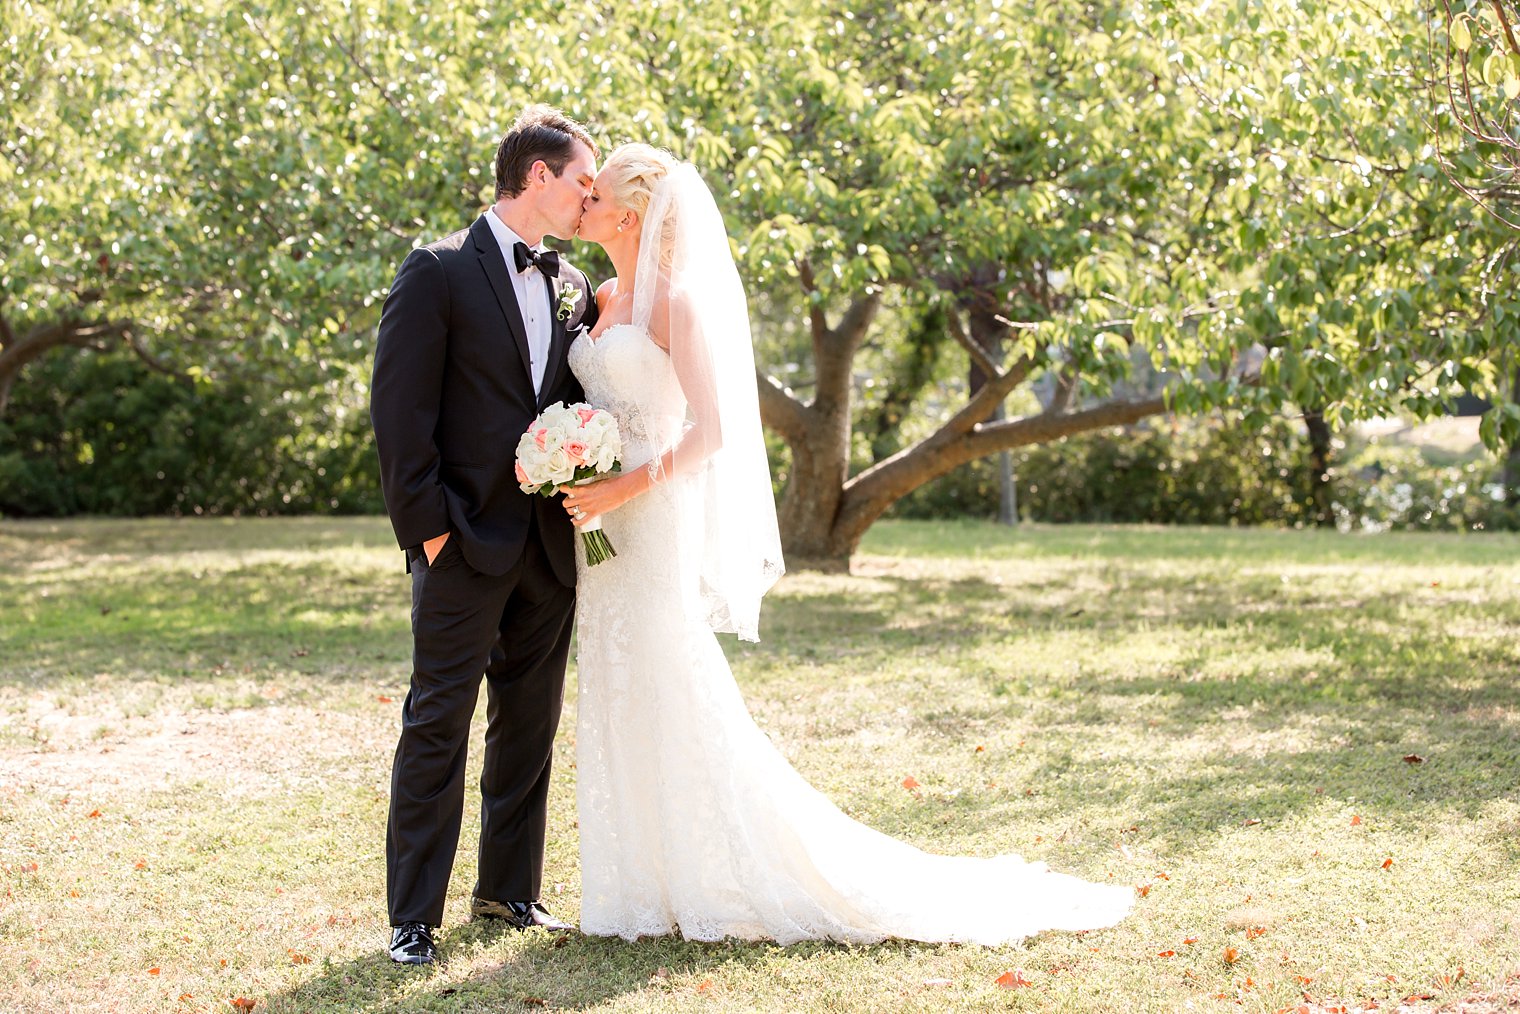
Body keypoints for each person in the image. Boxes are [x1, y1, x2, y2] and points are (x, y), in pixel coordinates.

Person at [558, 144, 1134, 944]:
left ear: (628, 212)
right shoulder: (602, 297)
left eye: (594, 192)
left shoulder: (674, 304)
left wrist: (625, 483)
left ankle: (719, 874)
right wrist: (575, 456)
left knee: (667, 672)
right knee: (618, 681)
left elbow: (713, 434)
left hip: (649, 516)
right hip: (601, 524)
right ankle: (637, 889)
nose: (580, 200)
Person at [369, 106, 600, 965]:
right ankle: (413, 916)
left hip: (547, 543)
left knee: (529, 723)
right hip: (461, 541)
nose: (589, 197)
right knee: (439, 722)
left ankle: (508, 889)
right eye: (583, 181)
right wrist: (429, 534)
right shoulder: (436, 271)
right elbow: (399, 414)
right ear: (537, 176)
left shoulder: (572, 283)